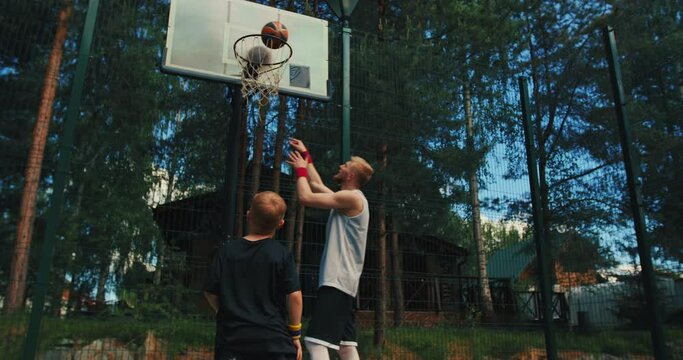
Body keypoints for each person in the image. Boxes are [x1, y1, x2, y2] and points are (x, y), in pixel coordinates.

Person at [287, 138, 374, 360]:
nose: (341, 166)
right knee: (345, 346)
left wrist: (300, 171)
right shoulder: (349, 199)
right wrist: (306, 155)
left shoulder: (351, 198)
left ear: (350, 176)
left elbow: (306, 196)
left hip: (336, 281)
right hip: (345, 282)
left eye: (345, 165)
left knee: (314, 342)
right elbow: (316, 186)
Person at [204, 191, 303, 360]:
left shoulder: (227, 251)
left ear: (248, 215)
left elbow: (210, 292)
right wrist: (295, 334)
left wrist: (224, 310)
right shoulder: (281, 254)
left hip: (232, 341)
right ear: (281, 223)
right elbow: (295, 297)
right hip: (273, 342)